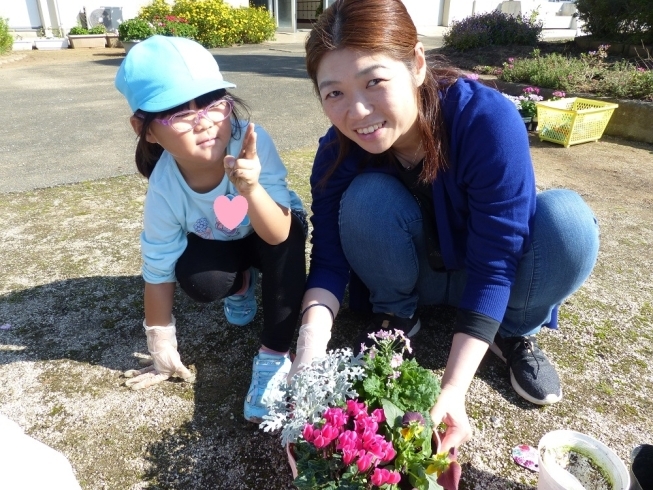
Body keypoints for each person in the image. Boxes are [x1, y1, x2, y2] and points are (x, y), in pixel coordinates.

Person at [289, 0, 599, 451]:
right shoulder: (336, 151)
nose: (356, 111)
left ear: (415, 64)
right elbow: (330, 258)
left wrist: (452, 391)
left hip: (497, 280)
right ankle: (398, 316)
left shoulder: (485, 120)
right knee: (363, 198)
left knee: (569, 221)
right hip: (419, 276)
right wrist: (308, 354)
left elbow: (497, 260)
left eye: (374, 81)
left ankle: (511, 331)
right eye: (333, 93)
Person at [114, 35, 307, 423]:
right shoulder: (165, 185)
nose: (204, 122)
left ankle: (273, 355)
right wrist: (160, 343)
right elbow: (158, 264)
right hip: (221, 238)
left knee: (285, 252)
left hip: (272, 227)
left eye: (212, 102)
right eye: (179, 113)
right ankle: (242, 286)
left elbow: (277, 234)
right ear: (145, 128)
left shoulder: (251, 139)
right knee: (199, 280)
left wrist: (249, 187)